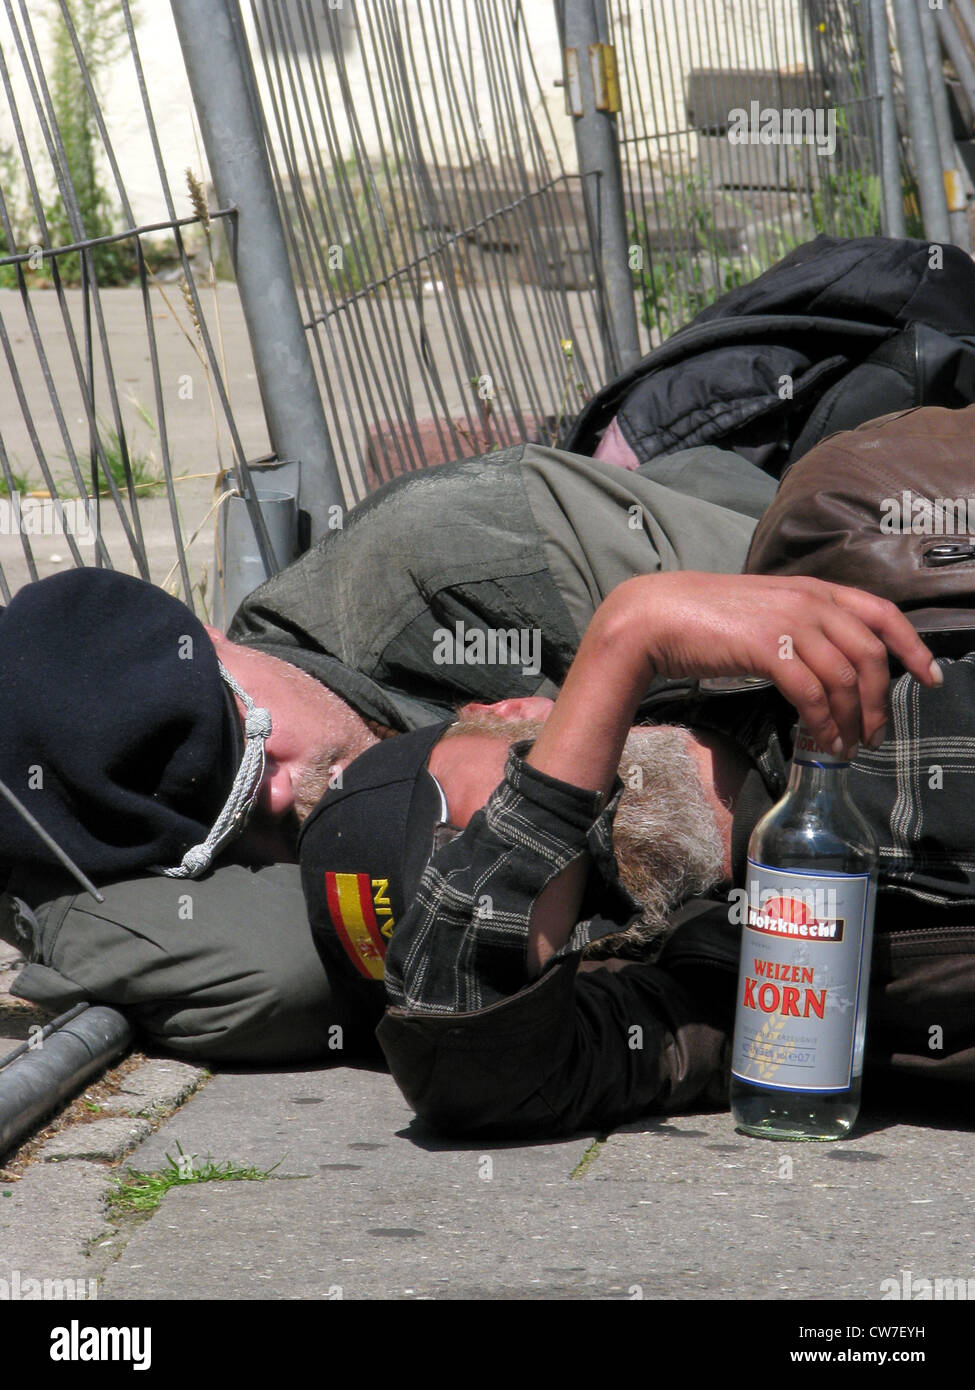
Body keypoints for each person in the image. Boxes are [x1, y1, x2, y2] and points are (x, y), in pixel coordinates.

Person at [0, 442, 775, 1061]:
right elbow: (277, 975)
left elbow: (854, 618)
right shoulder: (212, 848)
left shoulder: (457, 554)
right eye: (230, 827)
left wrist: (606, 717)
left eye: (256, 748)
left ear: (210, 637)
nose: (279, 799)